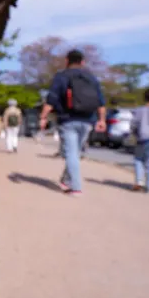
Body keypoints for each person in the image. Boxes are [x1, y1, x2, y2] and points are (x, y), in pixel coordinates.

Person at [39, 49, 107, 196]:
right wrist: (102, 120)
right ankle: (66, 179)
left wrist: (43, 117)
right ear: (82, 62)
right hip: (88, 120)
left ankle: (76, 187)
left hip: (68, 120)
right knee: (75, 153)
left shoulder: (62, 77)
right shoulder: (91, 78)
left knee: (71, 154)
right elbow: (101, 102)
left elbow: (52, 99)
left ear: (66, 60)